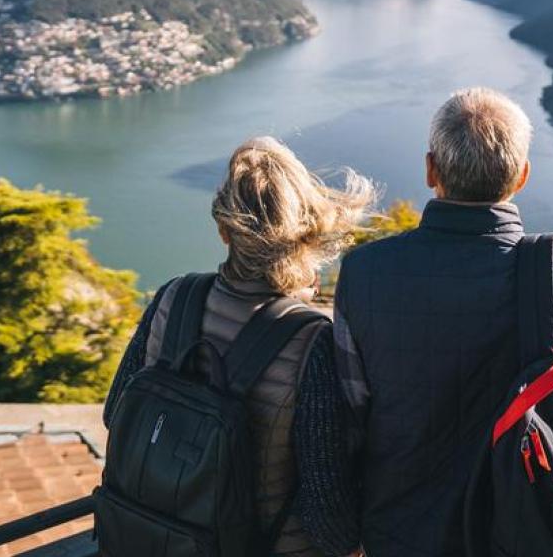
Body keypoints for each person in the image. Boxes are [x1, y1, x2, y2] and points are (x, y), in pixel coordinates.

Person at [332, 88, 553, 557]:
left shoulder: (366, 272)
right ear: (523, 176)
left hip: (398, 536)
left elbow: (349, 418)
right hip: (527, 536)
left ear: (430, 170)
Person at [104, 136, 368, 557]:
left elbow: (116, 411)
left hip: (161, 538)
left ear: (224, 231)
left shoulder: (174, 297)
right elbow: (325, 507)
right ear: (307, 232)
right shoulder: (313, 340)